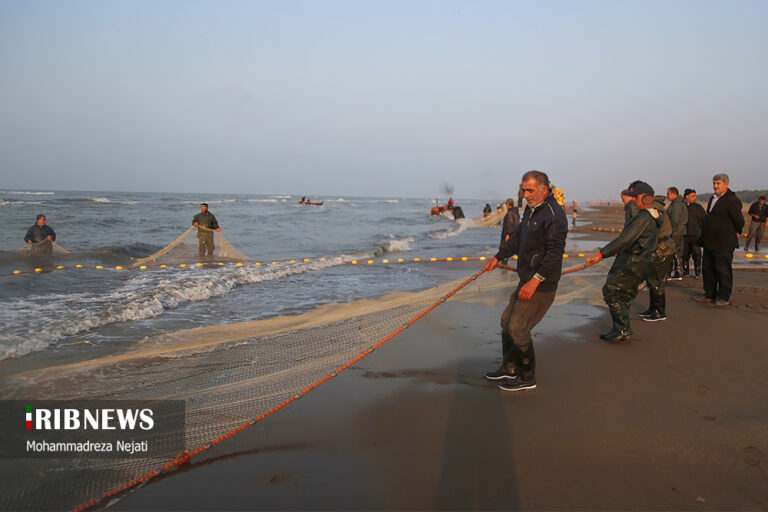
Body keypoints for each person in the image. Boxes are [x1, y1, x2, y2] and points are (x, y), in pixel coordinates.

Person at [483, 170, 568, 392]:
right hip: (527, 278)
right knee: (506, 321)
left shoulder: (554, 215)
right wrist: (497, 257)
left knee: (518, 328)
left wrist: (534, 282)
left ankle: (526, 377)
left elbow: (554, 255)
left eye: (530, 190)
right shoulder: (530, 210)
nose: (526, 194)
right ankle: (509, 367)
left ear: (544, 190)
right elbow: (517, 238)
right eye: (523, 190)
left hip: (541, 284)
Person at [586, 181, 661, 342]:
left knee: (612, 291)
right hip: (642, 260)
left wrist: (601, 254)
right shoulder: (651, 216)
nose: (633, 200)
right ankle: (622, 328)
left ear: (646, 198)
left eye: (636, 197)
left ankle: (622, 329)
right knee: (624, 294)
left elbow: (625, 239)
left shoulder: (643, 218)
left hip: (633, 260)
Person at [697, 173, 744, 305]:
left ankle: (723, 297)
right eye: (714, 183)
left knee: (722, 269)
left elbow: (739, 220)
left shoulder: (732, 200)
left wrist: (737, 231)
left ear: (726, 184)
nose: (715, 186)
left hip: (724, 242)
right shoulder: (713, 199)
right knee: (708, 268)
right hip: (709, 241)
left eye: (718, 183)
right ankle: (709, 294)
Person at [637, 195, 675, 322]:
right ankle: (653, 308)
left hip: (662, 250)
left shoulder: (655, 212)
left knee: (657, 281)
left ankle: (659, 312)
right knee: (653, 280)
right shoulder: (658, 209)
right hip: (662, 248)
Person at [665, 187, 688, 280]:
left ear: (674, 194)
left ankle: (678, 271)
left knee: (675, 250)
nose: (667, 196)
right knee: (676, 250)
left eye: (668, 194)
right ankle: (677, 271)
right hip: (678, 229)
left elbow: (674, 219)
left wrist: (669, 230)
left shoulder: (677, 204)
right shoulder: (676, 203)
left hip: (676, 230)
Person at [682, 189, 705, 278]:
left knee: (697, 255)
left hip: (696, 235)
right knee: (684, 255)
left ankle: (698, 272)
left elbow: (704, 220)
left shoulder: (698, 207)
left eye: (695, 196)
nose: (694, 198)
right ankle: (685, 272)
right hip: (684, 235)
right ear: (686, 196)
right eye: (692, 196)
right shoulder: (682, 207)